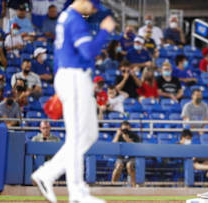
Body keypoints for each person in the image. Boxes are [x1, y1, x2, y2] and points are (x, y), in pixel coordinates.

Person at [30, 0, 116, 202]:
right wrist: (104, 32)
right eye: (93, 6)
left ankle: (46, 173)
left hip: (74, 76)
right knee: (77, 137)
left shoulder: (65, 17)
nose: (94, 10)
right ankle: (76, 192)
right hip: (74, 77)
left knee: (90, 134)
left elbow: (63, 55)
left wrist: (61, 82)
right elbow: (89, 51)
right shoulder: (75, 19)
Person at [111, 120, 140, 187]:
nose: (125, 131)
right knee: (118, 166)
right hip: (121, 157)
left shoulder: (135, 135)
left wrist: (127, 139)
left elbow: (137, 147)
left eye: (127, 129)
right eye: (124, 129)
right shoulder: (118, 135)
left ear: (130, 128)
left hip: (131, 157)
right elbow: (112, 145)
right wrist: (118, 135)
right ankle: (112, 185)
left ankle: (133, 185)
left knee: (129, 165)